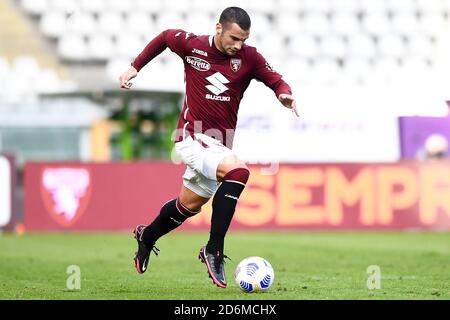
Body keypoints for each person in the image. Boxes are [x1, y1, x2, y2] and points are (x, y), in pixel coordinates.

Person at [119, 7, 298, 288]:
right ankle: (213, 249)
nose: (238, 46)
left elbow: (275, 78)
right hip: (192, 137)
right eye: (234, 38)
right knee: (238, 172)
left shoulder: (249, 58)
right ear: (219, 28)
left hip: (218, 143)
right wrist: (134, 67)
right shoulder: (193, 46)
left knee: (188, 206)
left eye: (244, 40)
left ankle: (147, 236)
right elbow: (165, 37)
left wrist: (284, 94)